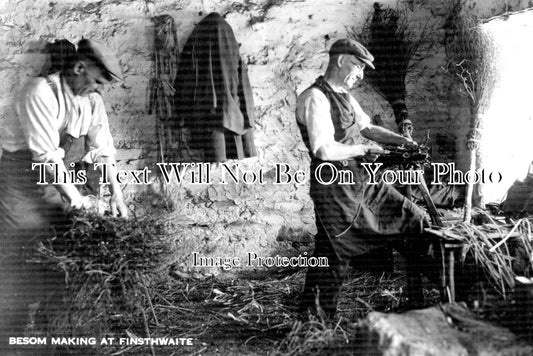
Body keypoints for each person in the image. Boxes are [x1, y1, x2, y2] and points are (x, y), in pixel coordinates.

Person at [0, 39, 128, 345]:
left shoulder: (92, 101)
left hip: (57, 179)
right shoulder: (39, 92)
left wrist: (117, 194)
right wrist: (76, 199)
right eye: (96, 81)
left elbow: (103, 150)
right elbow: (45, 158)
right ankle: (11, 334)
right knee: (22, 248)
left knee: (59, 249)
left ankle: (51, 330)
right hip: (21, 180)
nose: (98, 90)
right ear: (79, 67)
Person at [296, 39, 432, 318]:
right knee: (334, 252)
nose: (360, 75)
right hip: (332, 185)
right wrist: (363, 149)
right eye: (357, 66)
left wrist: (405, 143)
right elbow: (323, 149)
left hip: (360, 180)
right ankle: (314, 321)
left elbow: (367, 127)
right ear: (340, 60)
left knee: (413, 218)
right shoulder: (315, 97)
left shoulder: (345, 96)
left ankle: (417, 298)